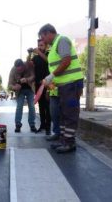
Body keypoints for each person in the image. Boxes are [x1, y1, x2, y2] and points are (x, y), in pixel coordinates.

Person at [40, 23, 84, 153]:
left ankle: (69, 143)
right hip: (64, 86)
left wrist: (51, 75)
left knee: (70, 114)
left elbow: (66, 61)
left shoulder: (62, 41)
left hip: (71, 84)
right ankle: (64, 140)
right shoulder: (54, 46)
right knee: (63, 114)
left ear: (49, 33)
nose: (43, 40)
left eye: (43, 37)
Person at [8, 59, 37, 133]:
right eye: (18, 70)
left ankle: (32, 124)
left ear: (23, 66)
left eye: (21, 69)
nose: (19, 71)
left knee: (31, 106)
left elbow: (33, 76)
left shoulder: (28, 65)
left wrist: (27, 79)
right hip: (19, 91)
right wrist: (14, 87)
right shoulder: (13, 70)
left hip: (30, 89)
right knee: (19, 106)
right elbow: (10, 84)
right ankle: (18, 124)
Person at [31, 39, 51, 134]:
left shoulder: (49, 54)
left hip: (47, 84)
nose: (40, 47)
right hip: (38, 85)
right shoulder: (36, 57)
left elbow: (48, 61)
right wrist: (29, 53)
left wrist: (39, 52)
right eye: (39, 45)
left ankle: (48, 127)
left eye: (42, 45)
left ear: (46, 46)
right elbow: (29, 65)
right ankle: (42, 125)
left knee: (47, 106)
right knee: (41, 106)